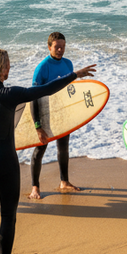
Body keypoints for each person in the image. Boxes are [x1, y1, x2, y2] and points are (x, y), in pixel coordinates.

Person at [0, 48, 97, 254]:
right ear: (2, 68)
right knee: (7, 215)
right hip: (4, 160)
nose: (10, 68)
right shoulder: (7, 93)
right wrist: (74, 75)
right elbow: (43, 90)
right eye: (8, 64)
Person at [29, 31, 80, 200]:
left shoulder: (68, 64)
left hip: (62, 112)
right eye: (57, 47)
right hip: (45, 113)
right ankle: (35, 187)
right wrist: (38, 126)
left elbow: (70, 92)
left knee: (63, 146)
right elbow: (33, 98)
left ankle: (64, 181)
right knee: (41, 148)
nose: (60, 50)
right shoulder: (42, 68)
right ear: (49, 46)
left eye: (63, 47)